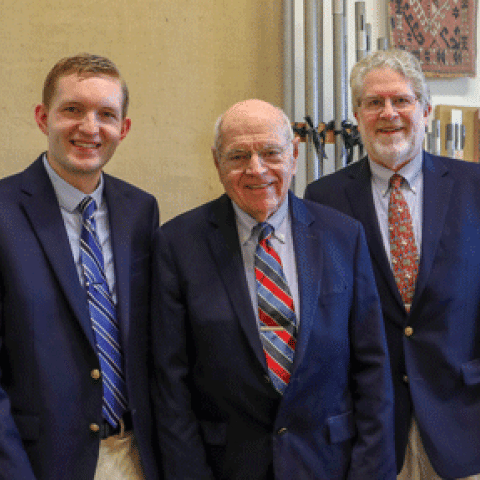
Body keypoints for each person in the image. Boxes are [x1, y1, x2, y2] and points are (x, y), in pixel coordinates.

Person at [150, 99, 396, 479]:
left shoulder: (344, 237)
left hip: (331, 464)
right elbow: (171, 387)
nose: (256, 169)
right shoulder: (178, 244)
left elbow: (373, 371)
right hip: (226, 467)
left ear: (294, 156)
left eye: (270, 153)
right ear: (217, 162)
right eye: (238, 156)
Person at [305, 49, 480, 479]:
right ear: (357, 115)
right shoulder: (322, 199)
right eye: (373, 102)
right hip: (372, 432)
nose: (389, 113)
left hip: (466, 421)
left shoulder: (474, 186)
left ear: (425, 110)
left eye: (401, 100)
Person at [0, 54, 160, 480]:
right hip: (40, 462)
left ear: (123, 128)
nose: (90, 128)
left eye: (106, 114)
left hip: (133, 455)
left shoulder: (141, 211)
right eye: (72, 110)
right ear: (42, 117)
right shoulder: (3, 212)